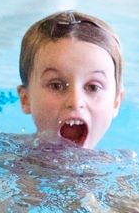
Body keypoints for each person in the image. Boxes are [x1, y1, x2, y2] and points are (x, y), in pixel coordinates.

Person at [17, 10, 124, 150]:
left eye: (93, 87)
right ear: (26, 99)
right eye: (56, 85)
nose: (75, 101)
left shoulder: (125, 169)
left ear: (116, 102)